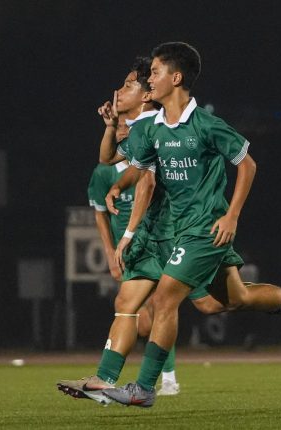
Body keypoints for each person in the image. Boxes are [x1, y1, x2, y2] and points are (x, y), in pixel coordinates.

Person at [102, 41, 281, 408]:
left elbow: (248, 164)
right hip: (180, 230)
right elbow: (118, 161)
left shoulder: (206, 125)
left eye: (155, 72)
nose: (149, 79)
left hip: (206, 230)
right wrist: (113, 136)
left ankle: (145, 388)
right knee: (226, 301)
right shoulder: (155, 128)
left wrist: (232, 216)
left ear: (176, 78)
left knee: (164, 300)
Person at [58, 57, 182, 403]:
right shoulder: (139, 128)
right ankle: (105, 379)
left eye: (128, 84)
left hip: (177, 231)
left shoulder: (155, 125)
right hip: (152, 234)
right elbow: (108, 159)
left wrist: (126, 236)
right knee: (128, 303)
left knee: (218, 301)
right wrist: (111, 127)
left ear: (146, 95)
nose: (118, 90)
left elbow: (148, 183)